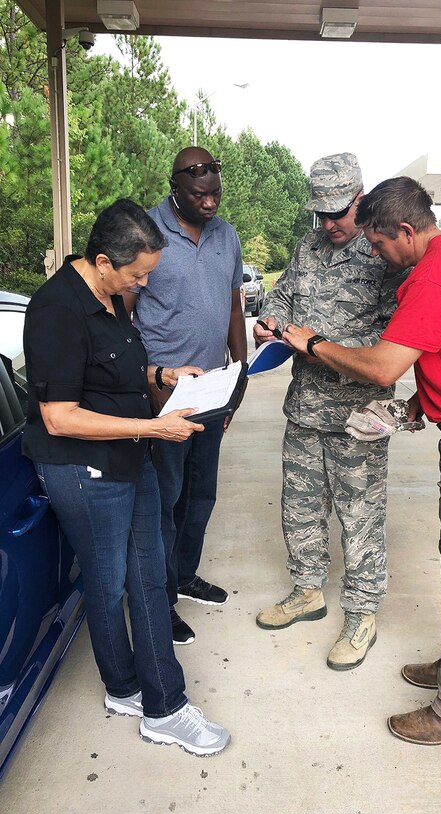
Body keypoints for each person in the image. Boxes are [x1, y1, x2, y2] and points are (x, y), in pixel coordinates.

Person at [282, 176, 441, 745]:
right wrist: (423, 403)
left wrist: (312, 342)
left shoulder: (437, 271)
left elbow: (381, 366)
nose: (374, 255)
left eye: (376, 245)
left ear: (405, 229)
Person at [22, 199, 230, 756]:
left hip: (129, 456)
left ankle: (152, 698)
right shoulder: (56, 310)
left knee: (148, 576)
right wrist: (152, 426)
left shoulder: (109, 297)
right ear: (102, 260)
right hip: (85, 471)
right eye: (138, 274)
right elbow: (58, 415)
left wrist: (162, 374)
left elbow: (111, 368)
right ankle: (137, 693)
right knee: (110, 582)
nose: (143, 284)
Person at [254, 153, 407, 671]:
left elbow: (394, 340)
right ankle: (307, 591)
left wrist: (319, 344)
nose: (328, 224)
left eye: (337, 213)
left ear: (359, 199)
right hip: (305, 409)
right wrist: (271, 319)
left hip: (356, 417)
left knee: (360, 519)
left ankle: (363, 613)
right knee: (299, 507)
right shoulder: (309, 246)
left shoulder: (385, 255)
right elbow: (284, 294)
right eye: (320, 213)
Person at [125, 147, 247, 645]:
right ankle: (162, 599)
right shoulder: (148, 233)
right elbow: (121, 313)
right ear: (175, 186)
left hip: (215, 390)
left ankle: (184, 575)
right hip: (166, 397)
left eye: (216, 193)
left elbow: (234, 310)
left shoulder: (227, 236)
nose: (210, 203)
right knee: (165, 500)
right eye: (200, 194)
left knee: (201, 495)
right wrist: (148, 380)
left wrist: (239, 376)